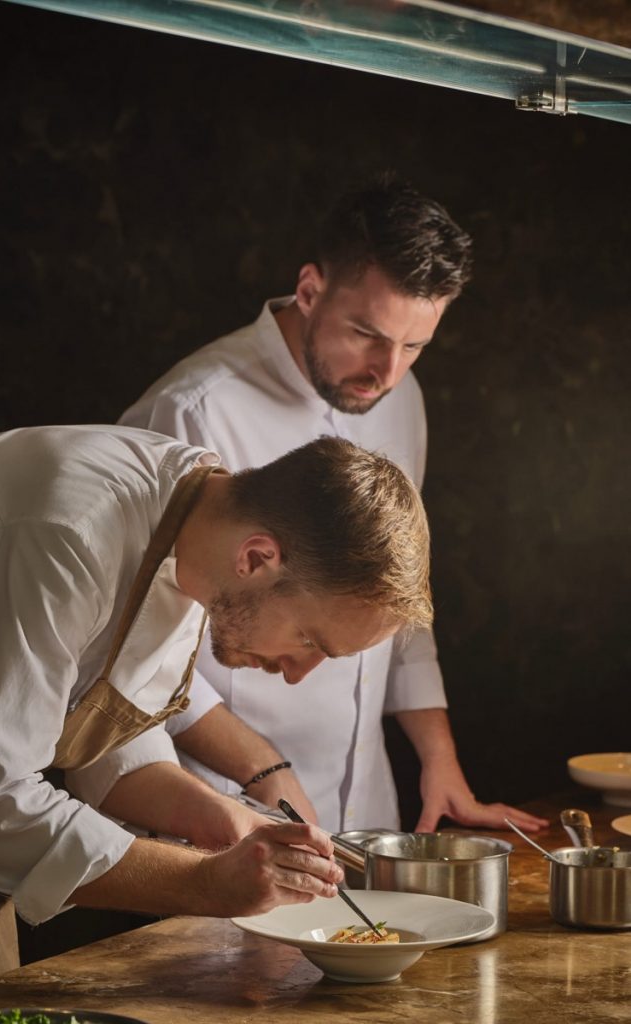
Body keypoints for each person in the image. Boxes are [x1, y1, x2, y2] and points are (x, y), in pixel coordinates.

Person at [121, 173, 547, 836]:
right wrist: (260, 773)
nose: (387, 371)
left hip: (364, 807)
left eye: (414, 346)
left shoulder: (399, 400)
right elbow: (131, 646)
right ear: (310, 289)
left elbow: (397, 589)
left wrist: (438, 759)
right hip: (215, 809)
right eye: (366, 334)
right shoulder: (190, 409)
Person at [0, 424, 431, 986]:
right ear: (256, 558)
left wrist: (224, 819)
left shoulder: (198, 523)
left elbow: (102, 729)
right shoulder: (68, 532)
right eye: (309, 640)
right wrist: (204, 882)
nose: (299, 673)